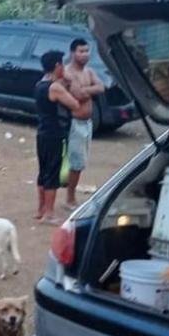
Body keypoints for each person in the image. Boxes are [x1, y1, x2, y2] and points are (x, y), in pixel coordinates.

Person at [35, 50, 79, 223]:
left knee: (43, 172)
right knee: (52, 173)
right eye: (61, 64)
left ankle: (41, 209)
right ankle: (49, 214)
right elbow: (74, 104)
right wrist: (69, 81)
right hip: (55, 134)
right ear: (57, 66)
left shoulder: (40, 84)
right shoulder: (54, 87)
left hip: (42, 132)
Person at [63, 37, 105, 209]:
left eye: (87, 51)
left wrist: (86, 90)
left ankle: (71, 197)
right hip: (74, 123)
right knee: (76, 162)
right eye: (81, 51)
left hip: (87, 122)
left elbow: (101, 87)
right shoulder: (68, 73)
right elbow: (77, 95)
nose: (85, 54)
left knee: (81, 163)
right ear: (73, 53)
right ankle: (69, 198)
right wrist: (89, 91)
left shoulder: (88, 72)